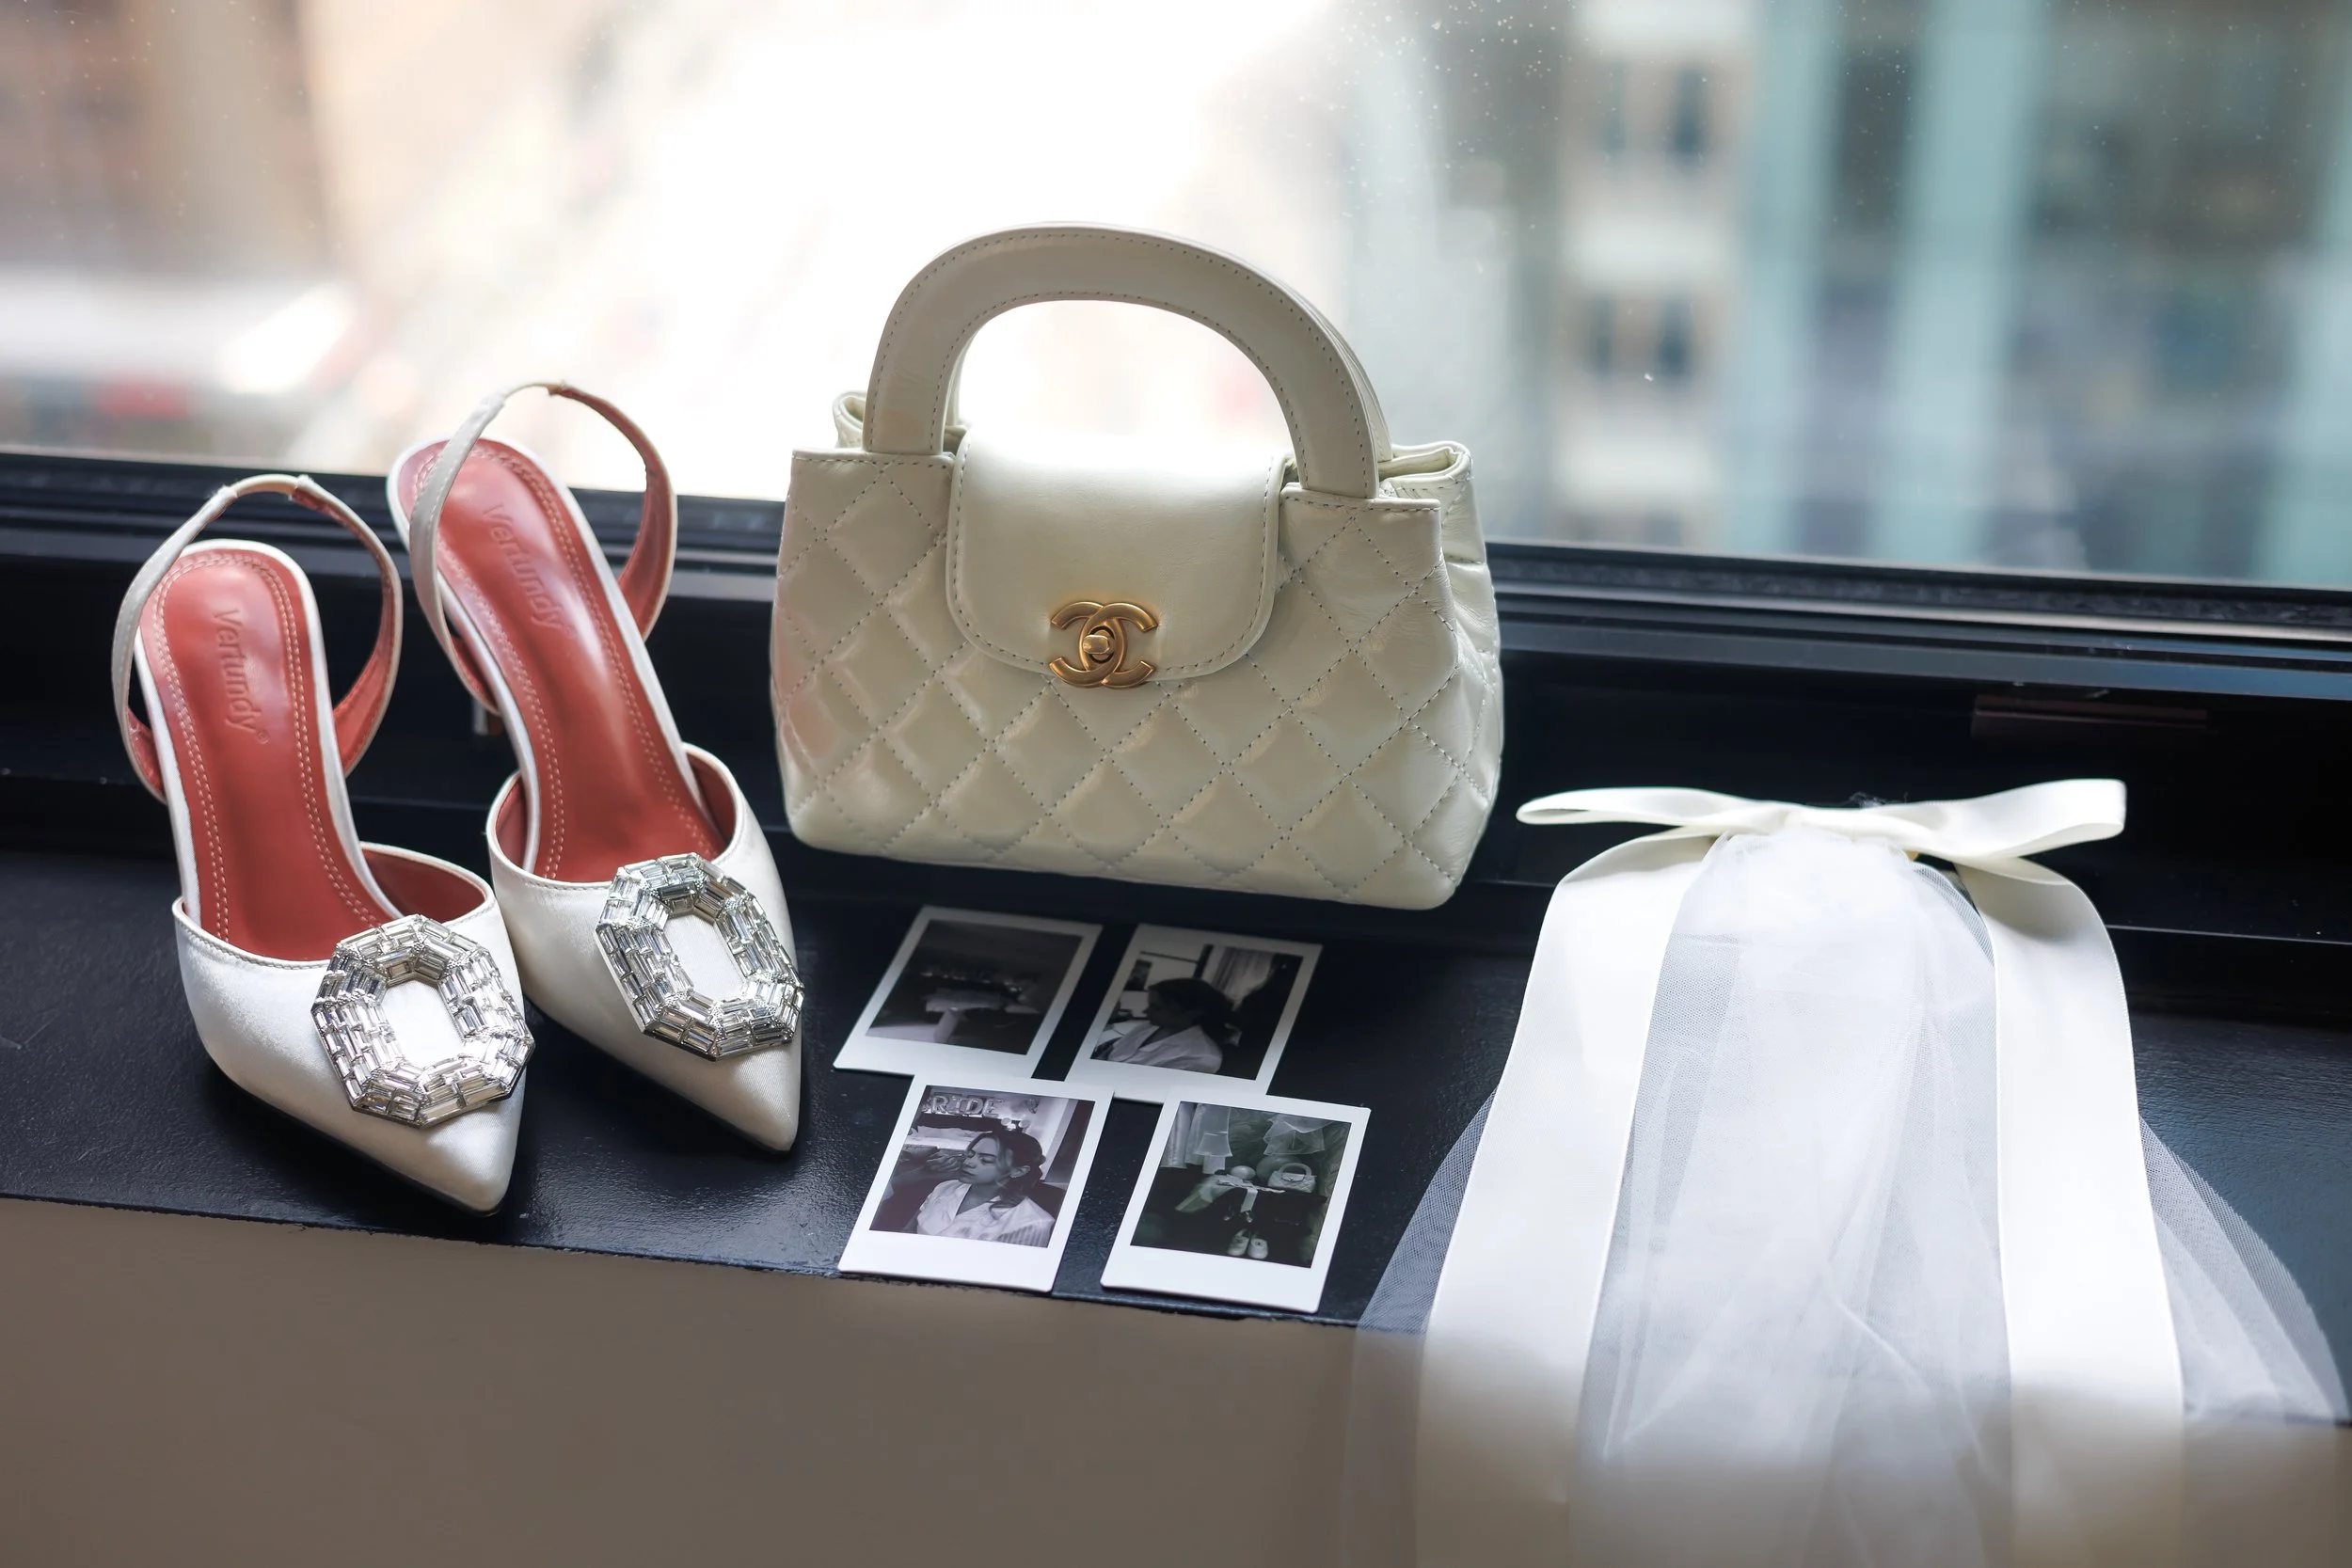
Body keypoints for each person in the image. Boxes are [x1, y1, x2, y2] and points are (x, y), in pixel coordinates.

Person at [906, 1128, 1056, 1246]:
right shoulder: (945, 1187)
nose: (968, 1163)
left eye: (986, 1160)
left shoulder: (1033, 1223)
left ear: (1018, 1171)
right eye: (970, 1155)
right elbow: (908, 1230)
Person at [1090, 977, 1233, 1073]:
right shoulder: (1151, 1026)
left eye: (1156, 1008)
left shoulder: (1201, 1058)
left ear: (1193, 1012)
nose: (1146, 1012)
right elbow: (1111, 1051)